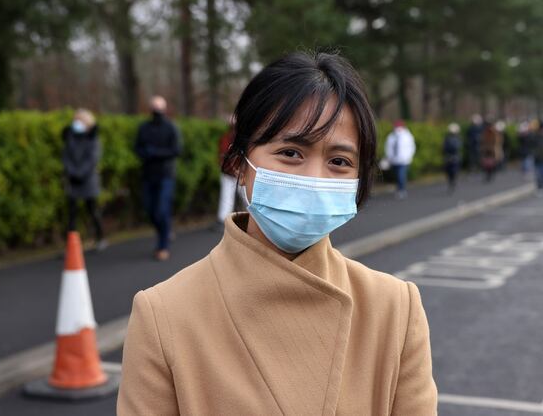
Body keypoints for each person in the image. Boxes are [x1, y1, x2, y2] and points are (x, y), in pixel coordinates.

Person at [117, 52, 437, 415]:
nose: (314, 178)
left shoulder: (395, 308)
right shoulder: (164, 316)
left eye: (339, 162)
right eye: (290, 152)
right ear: (240, 164)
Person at [134, 96, 182, 261]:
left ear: (164, 109)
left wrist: (155, 153)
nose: (156, 111)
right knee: (150, 210)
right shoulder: (144, 128)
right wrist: (145, 153)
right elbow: (138, 148)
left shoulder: (171, 127)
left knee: (162, 210)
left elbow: (176, 150)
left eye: (159, 108)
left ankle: (163, 246)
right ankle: (166, 230)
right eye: (154, 107)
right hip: (148, 175)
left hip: (165, 175)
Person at [62, 109, 106, 250]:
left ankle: (100, 237)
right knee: (72, 214)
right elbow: (66, 157)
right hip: (73, 180)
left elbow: (92, 159)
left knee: (92, 210)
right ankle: (71, 244)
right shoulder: (71, 138)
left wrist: (80, 173)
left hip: (88, 180)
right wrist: (72, 172)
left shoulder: (93, 139)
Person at [215, 114, 238, 231]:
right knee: (226, 197)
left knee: (247, 197)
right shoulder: (226, 138)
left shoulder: (242, 139)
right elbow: (221, 156)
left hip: (241, 173)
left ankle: (253, 221)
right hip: (229, 173)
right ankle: (222, 220)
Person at [385, 120, 416, 199]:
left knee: (401, 175)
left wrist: (408, 157)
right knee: (397, 176)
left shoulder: (407, 136)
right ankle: (399, 189)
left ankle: (402, 190)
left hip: (404, 160)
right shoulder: (391, 136)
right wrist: (389, 157)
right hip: (394, 160)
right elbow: (388, 148)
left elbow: (411, 147)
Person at [443, 123, 461, 193]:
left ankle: (452, 182)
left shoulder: (457, 138)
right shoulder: (448, 138)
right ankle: (451, 182)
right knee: (449, 171)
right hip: (450, 157)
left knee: (453, 171)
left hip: (453, 157)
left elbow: (457, 147)